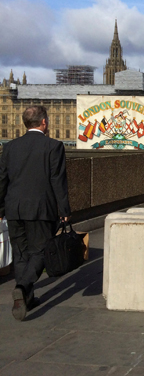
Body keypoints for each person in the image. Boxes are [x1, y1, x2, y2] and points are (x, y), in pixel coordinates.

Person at [0, 106, 71, 321]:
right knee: (40, 251)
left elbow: (2, 179)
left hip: (14, 208)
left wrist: (1, 208)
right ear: (44, 123)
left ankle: (26, 299)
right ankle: (23, 287)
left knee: (21, 254)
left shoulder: (10, 147)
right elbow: (57, 180)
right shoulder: (54, 146)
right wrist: (65, 210)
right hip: (42, 208)